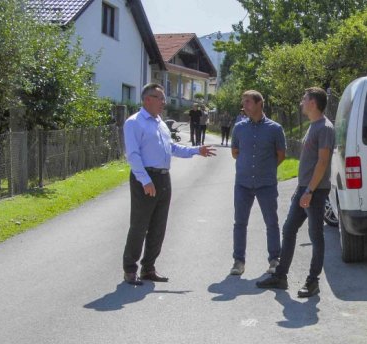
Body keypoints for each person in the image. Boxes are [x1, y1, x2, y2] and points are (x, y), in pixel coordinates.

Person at [122, 83, 216, 285]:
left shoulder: (160, 123)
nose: (163, 102)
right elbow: (133, 155)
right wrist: (145, 180)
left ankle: (149, 268)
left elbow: (171, 147)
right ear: (147, 99)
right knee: (140, 225)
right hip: (145, 177)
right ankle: (130, 269)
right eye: (160, 98)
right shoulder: (134, 123)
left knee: (159, 226)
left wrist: (196, 150)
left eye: (163, 98)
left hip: (164, 177)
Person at [257, 87, 334, 298]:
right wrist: (300, 190)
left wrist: (309, 190)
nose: (301, 102)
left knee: (316, 236)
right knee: (289, 229)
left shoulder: (325, 128)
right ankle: (281, 276)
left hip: (315, 191)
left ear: (313, 103)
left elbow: (323, 162)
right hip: (305, 189)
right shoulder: (313, 126)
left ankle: (313, 281)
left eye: (304, 99)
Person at [229, 90, 286, 276]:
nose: (244, 106)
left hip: (266, 183)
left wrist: (265, 168)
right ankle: (238, 261)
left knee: (271, 222)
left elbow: (281, 155)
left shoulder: (275, 129)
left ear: (259, 103)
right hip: (243, 183)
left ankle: (274, 259)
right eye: (243, 102)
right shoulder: (239, 127)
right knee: (240, 223)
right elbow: (235, 152)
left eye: (248, 102)